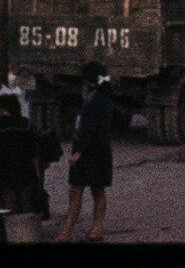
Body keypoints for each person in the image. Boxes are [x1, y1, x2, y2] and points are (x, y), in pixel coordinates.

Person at [55, 61, 114, 242]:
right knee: (98, 191)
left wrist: (78, 152)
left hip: (88, 151)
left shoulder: (91, 100)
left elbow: (87, 129)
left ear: (87, 80)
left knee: (75, 192)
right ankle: (96, 230)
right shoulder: (106, 98)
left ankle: (65, 234)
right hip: (103, 150)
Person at [0, 93, 42, 213]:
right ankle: (27, 228)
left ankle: (12, 228)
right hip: (26, 168)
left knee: (10, 201)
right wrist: (37, 171)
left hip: (6, 170)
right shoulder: (26, 123)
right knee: (27, 200)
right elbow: (33, 151)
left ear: (2, 108)